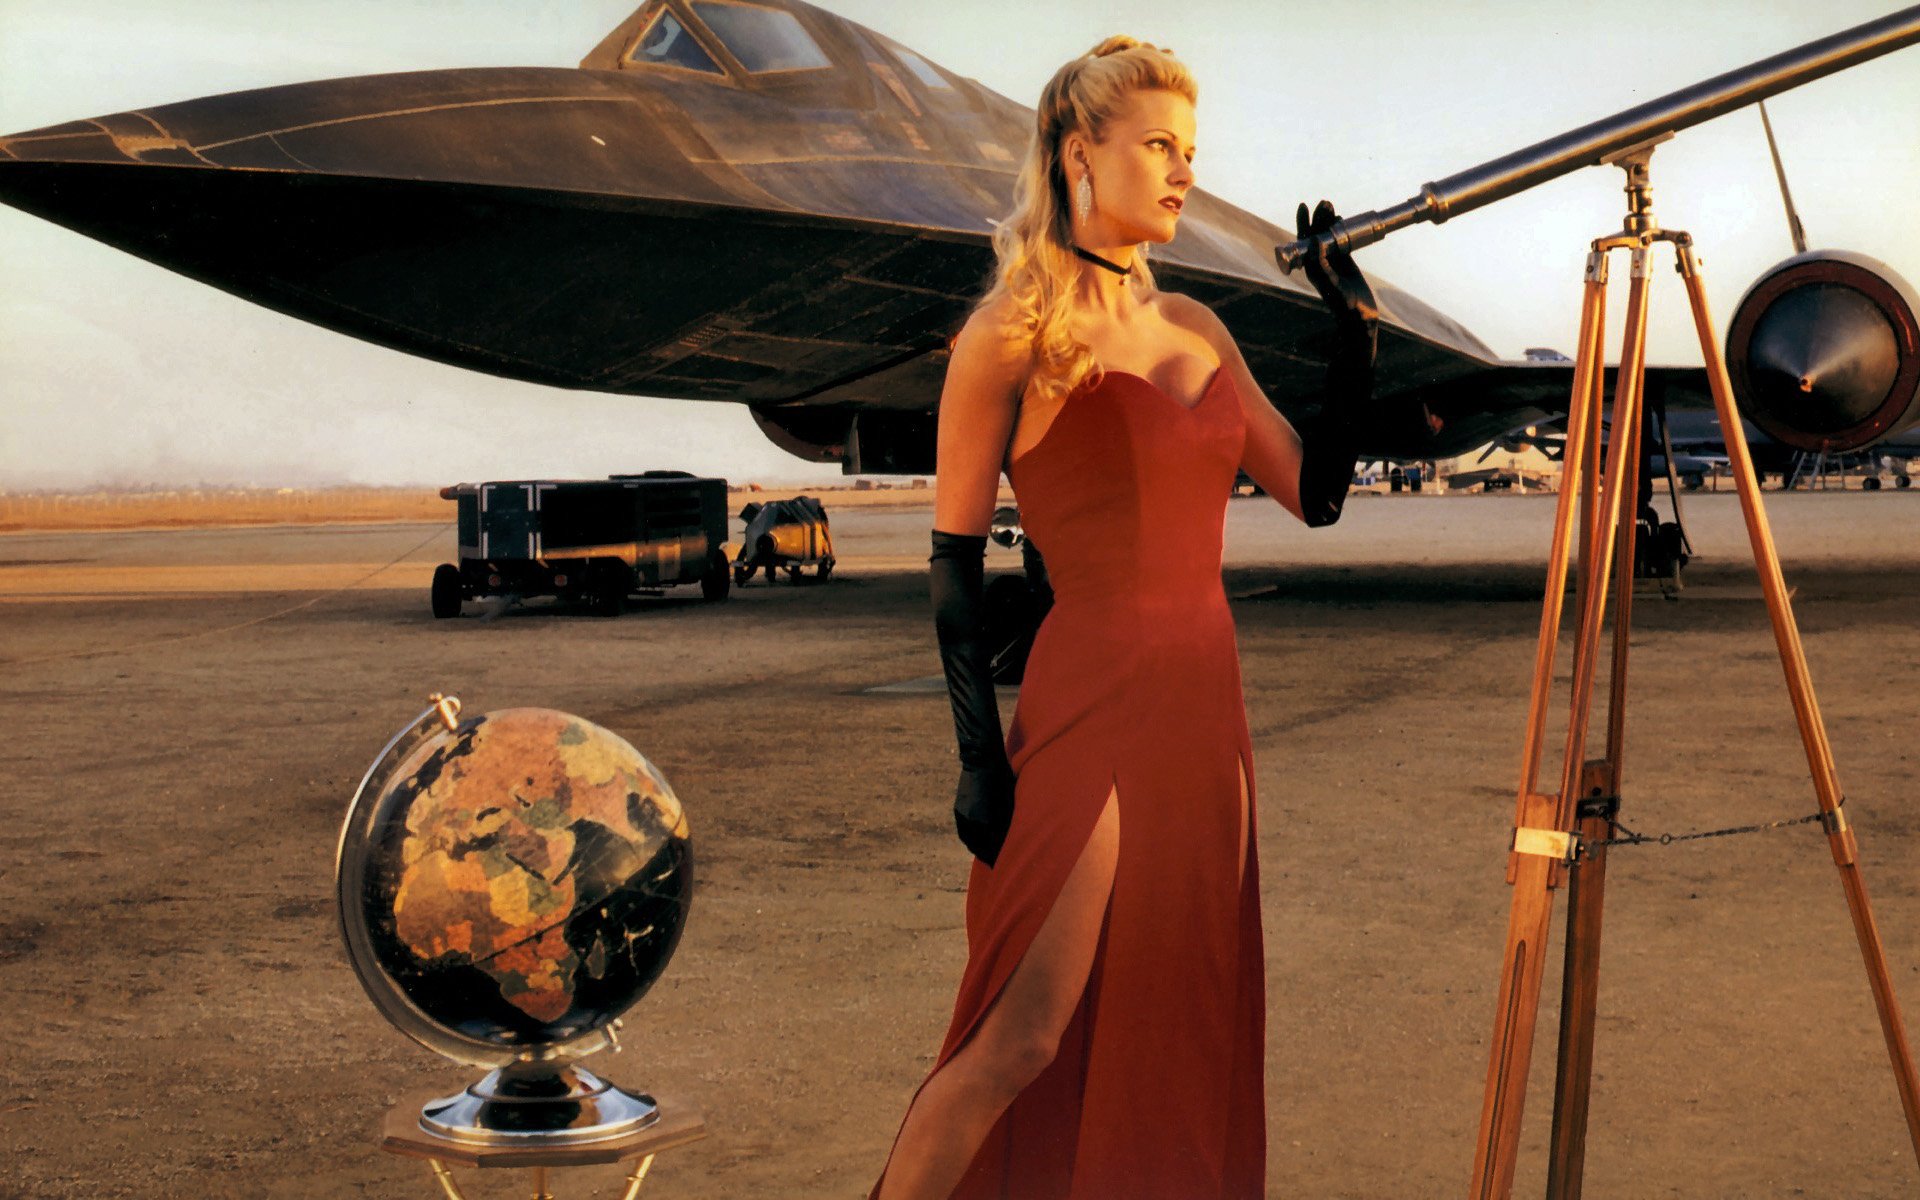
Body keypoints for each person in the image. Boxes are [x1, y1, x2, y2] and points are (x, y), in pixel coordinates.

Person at [872, 35, 1377, 1200]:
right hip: (1089, 703)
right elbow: (951, 562)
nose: (1181, 169)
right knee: (1023, 1031)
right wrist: (975, 757)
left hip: (1209, 715)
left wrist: (1350, 348)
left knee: (1182, 1017)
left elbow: (1317, 495)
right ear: (1076, 154)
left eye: (1189, 150)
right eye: (1156, 144)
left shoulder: (1200, 327)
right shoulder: (1006, 333)